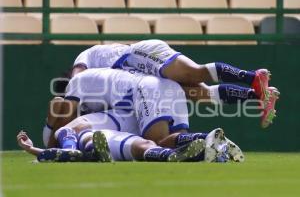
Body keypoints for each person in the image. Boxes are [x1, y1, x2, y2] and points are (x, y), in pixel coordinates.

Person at [45, 68, 245, 162]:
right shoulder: (106, 94)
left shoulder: (77, 83)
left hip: (146, 90)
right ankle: (211, 142)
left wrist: (52, 146)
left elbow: (64, 123)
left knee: (156, 141)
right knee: (167, 139)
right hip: (167, 85)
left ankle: (189, 149)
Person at [70, 40, 279, 128]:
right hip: (140, 77)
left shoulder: (84, 62)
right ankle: (260, 95)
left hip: (136, 55)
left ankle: (253, 77)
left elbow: (76, 80)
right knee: (201, 95)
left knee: (194, 73)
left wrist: (68, 107)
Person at [17, 110, 221, 163]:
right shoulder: (65, 130)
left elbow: (65, 152)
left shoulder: (81, 122)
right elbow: (68, 149)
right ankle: (91, 153)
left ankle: (174, 155)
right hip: (97, 139)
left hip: (106, 137)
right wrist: (33, 150)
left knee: (147, 144)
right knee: (142, 148)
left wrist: (33, 150)